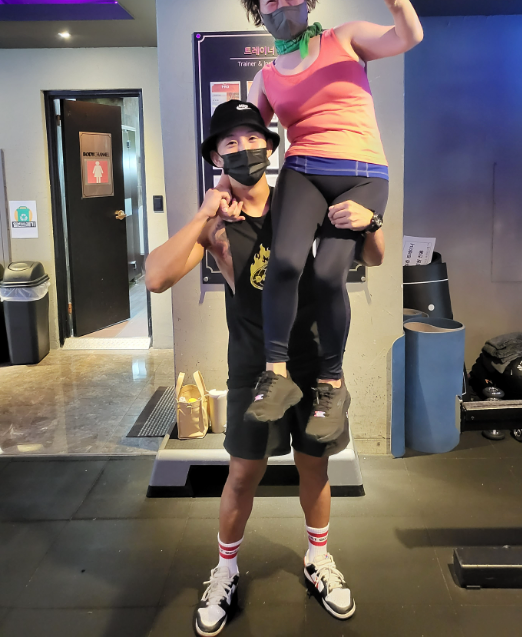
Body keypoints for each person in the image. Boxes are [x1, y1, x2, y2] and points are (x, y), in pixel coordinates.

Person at [145, 99, 385, 636]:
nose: (244, 149)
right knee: (242, 474)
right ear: (216, 156)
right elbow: (156, 278)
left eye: (253, 138)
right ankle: (225, 569)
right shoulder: (219, 225)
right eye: (230, 142)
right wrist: (203, 214)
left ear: (271, 147)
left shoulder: (304, 203)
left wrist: (371, 221)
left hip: (314, 363)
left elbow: (373, 256)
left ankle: (318, 559)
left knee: (314, 467)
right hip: (255, 366)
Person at [242, 0, 423, 442]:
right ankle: (276, 376)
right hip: (303, 169)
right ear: (259, 12)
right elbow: (247, 138)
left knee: (327, 276)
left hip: (363, 174)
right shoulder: (267, 77)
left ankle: (331, 384)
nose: (282, 7)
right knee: (284, 264)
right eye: (270, 2)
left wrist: (395, 0)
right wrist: (221, 189)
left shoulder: (344, 38)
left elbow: (408, 37)